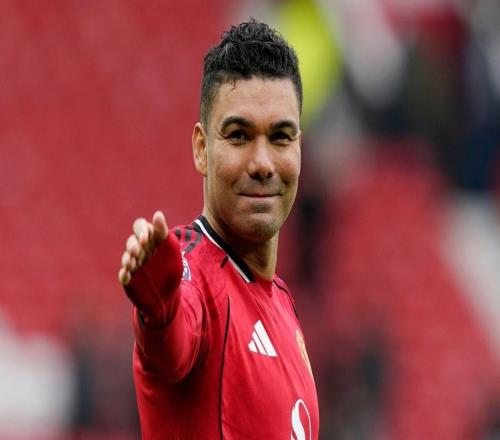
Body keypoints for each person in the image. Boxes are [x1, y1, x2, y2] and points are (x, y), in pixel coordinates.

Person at [118, 19, 319, 439]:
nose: (262, 163)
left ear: (299, 148)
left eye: (280, 137)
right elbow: (173, 344)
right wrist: (158, 311)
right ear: (201, 148)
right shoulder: (193, 274)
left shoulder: (281, 302)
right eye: (239, 135)